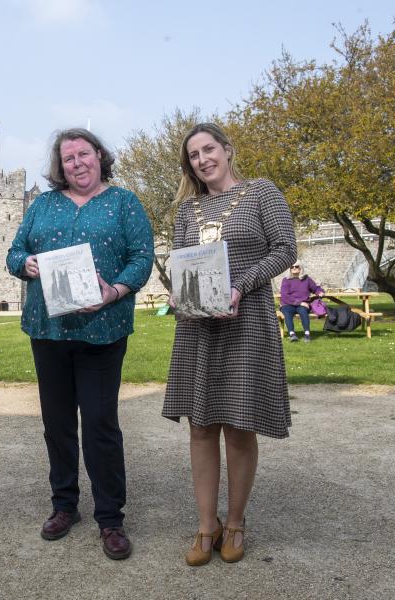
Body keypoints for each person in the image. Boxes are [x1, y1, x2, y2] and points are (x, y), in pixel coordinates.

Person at [6, 128, 154, 560]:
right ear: (60, 165)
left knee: (101, 423)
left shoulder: (124, 202)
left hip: (102, 330)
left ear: (99, 156)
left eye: (83, 154)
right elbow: (14, 252)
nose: (77, 163)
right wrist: (26, 264)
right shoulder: (42, 204)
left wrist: (116, 291)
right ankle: (64, 505)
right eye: (68, 158)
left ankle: (110, 517)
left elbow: (142, 257)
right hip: (47, 330)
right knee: (56, 423)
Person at [162, 123, 296, 566]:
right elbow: (180, 263)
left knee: (239, 426)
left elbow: (284, 249)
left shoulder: (261, 192)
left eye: (208, 149)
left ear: (227, 150)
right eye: (194, 156)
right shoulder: (188, 211)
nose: (202, 159)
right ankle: (207, 525)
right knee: (200, 427)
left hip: (247, 320)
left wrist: (240, 286)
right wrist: (177, 290)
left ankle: (235, 522)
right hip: (198, 327)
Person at [279, 262, 324, 342]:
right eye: (292, 267)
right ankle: (292, 334)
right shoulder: (286, 280)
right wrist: (299, 302)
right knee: (287, 312)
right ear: (289, 269)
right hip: (288, 303)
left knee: (303, 311)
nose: (294, 268)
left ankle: (307, 334)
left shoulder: (306, 279)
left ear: (301, 268)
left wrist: (319, 292)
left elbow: (315, 288)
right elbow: (285, 295)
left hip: (303, 304)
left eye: (296, 266)